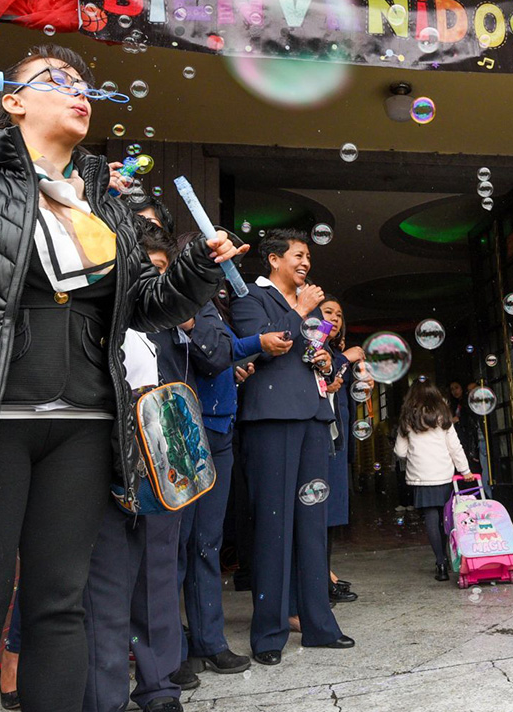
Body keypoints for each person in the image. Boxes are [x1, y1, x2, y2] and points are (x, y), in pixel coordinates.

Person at [0, 45, 242, 712]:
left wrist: (196, 267)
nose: (80, 91)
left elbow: (144, 307)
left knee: (60, 607)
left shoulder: (103, 204)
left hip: (83, 425)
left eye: (85, 83)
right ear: (14, 100)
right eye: (58, 80)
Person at [156, 233, 289, 681]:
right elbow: (212, 354)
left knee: (207, 543)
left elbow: (221, 350)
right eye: (217, 256)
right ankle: (171, 650)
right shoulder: (173, 298)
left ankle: (208, 641)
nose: (226, 264)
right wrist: (242, 350)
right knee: (176, 546)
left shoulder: (213, 302)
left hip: (219, 429)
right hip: (184, 431)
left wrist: (239, 355)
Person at [82, 221, 192, 712]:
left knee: (158, 576)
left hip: (158, 464)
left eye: (160, 271)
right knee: (106, 586)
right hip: (103, 461)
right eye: (140, 268)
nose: (150, 280)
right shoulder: (92, 319)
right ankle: (105, 696)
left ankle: (159, 684)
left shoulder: (160, 329)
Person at [230, 230, 351, 666]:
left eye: (309, 258)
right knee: (273, 525)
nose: (306, 264)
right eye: (299, 255)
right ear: (274, 259)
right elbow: (261, 346)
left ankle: (319, 625)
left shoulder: (311, 306)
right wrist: (299, 311)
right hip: (272, 419)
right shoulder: (249, 297)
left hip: (314, 417)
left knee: (311, 525)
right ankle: (269, 633)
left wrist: (328, 361)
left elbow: (322, 354)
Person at [392, 381, 475, 581]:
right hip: (443, 474)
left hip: (421, 476)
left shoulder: (408, 418)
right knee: (445, 517)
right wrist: (465, 470)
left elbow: (400, 451)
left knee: (430, 517)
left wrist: (415, 454)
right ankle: (448, 555)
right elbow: (455, 446)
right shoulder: (444, 416)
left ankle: (440, 562)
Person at [320, 296, 363, 602]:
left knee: (331, 511)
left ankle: (325, 572)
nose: (335, 318)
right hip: (321, 438)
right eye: (327, 312)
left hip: (336, 438)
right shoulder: (315, 348)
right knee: (320, 510)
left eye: (338, 314)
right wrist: (346, 357)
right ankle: (321, 578)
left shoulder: (335, 352)